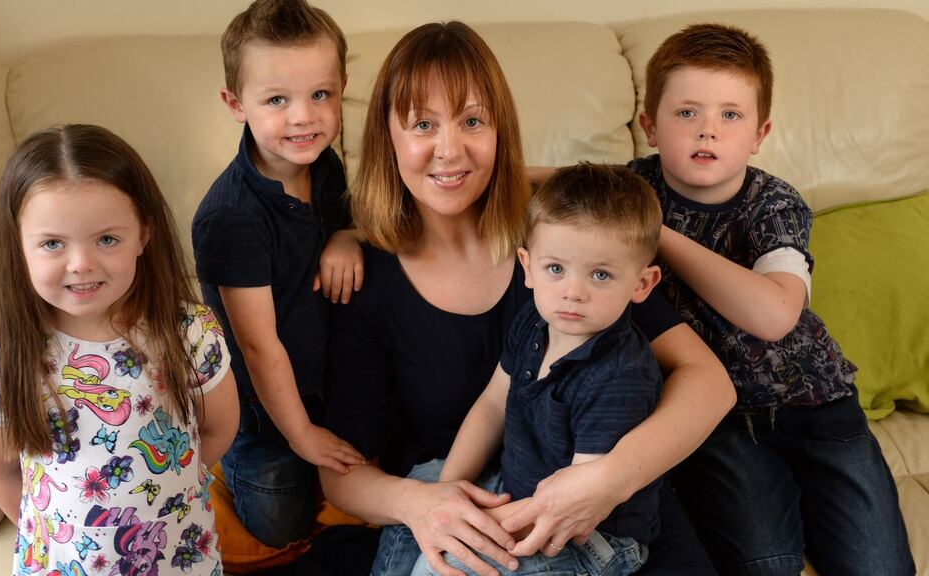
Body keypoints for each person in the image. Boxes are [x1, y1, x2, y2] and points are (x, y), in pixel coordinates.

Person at [319, 21, 736, 576]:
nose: (450, 149)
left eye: (473, 121)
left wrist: (609, 479)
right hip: (461, 506)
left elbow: (708, 384)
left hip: (604, 516)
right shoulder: (363, 275)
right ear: (387, 137)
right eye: (422, 124)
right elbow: (338, 471)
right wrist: (420, 502)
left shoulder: (564, 234)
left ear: (501, 131)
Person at [631, 23, 914, 576]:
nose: (707, 131)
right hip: (721, 420)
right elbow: (554, 186)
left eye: (729, 115)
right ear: (650, 127)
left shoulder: (775, 203)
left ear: (759, 134)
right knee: (765, 563)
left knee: (879, 565)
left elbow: (774, 315)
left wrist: (656, 232)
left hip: (818, 404)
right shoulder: (631, 190)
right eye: (686, 113)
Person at [0, 124, 239, 576]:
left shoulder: (190, 332)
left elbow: (219, 429)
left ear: (144, 235)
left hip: (178, 557)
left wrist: (164, 487)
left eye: (107, 239)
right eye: (53, 243)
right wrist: (52, 532)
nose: (81, 264)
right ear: (19, 246)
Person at [411, 163, 665, 576]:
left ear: (642, 284)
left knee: (443, 564)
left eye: (601, 274)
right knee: (420, 504)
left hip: (588, 538)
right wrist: (446, 496)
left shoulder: (620, 375)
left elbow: (574, 503)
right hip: (518, 492)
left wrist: (478, 529)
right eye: (556, 269)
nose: (572, 292)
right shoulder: (535, 320)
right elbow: (493, 403)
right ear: (527, 267)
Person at [191, 0, 366, 548]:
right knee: (279, 525)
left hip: (329, 374)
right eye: (276, 100)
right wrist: (303, 437)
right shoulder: (232, 217)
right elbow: (259, 346)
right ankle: (227, 464)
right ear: (235, 103)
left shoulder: (325, 162)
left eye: (321, 94)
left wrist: (346, 235)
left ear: (341, 88)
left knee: (361, 481)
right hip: (262, 412)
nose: (304, 117)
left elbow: (368, 216)